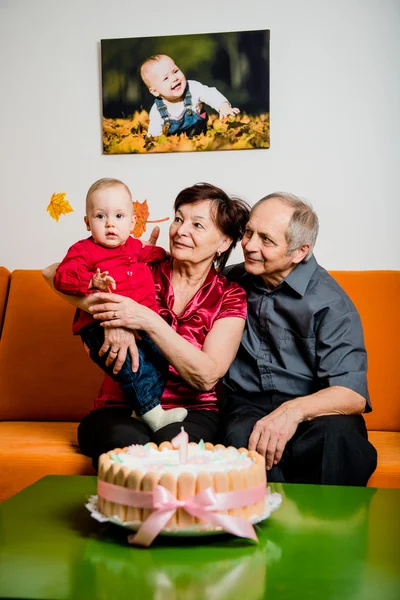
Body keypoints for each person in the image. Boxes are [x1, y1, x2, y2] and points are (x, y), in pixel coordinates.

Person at [44, 183, 250, 469]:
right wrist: (110, 311)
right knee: (127, 445)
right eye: (178, 219)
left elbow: (207, 375)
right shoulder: (142, 266)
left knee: (171, 450)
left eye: (197, 225)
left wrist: (144, 318)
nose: (180, 230)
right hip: (120, 407)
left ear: (224, 242)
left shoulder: (230, 295)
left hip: (192, 409)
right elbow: (52, 272)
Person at [222, 192, 377, 486]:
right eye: (249, 232)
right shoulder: (230, 281)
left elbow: (352, 394)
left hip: (314, 407)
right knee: (242, 440)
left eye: (266, 240)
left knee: (339, 438)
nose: (249, 245)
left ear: (299, 252)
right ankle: (265, 527)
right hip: (247, 405)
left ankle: (328, 529)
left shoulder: (331, 303)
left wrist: (293, 411)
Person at [53, 177, 187, 432]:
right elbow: (61, 276)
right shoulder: (84, 250)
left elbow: (151, 254)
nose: (110, 224)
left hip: (138, 323)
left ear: (133, 222)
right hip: (98, 327)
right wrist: (92, 280)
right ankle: (152, 413)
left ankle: (140, 408)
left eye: (119, 216)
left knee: (159, 359)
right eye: (101, 216)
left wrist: (168, 256)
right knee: (131, 365)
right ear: (87, 222)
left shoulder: (133, 247)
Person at [140, 54, 240, 138]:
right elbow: (154, 135)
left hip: (201, 137)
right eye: (166, 78)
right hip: (176, 146)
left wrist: (223, 106)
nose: (174, 78)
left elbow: (210, 93)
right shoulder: (157, 110)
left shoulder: (192, 88)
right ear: (155, 91)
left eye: (175, 71)